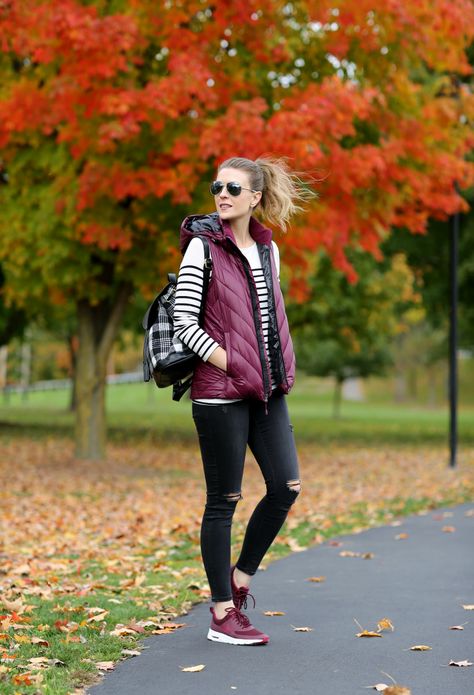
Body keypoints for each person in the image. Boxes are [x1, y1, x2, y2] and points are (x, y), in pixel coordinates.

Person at [174, 156, 311, 646]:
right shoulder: (202, 249)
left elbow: (272, 318)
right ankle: (221, 613)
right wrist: (230, 362)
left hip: (267, 392)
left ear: (255, 197)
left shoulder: (269, 252)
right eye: (217, 186)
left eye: (233, 187)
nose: (222, 194)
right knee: (223, 501)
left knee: (286, 486)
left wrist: (275, 367)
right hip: (220, 394)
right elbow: (185, 325)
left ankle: (240, 580)